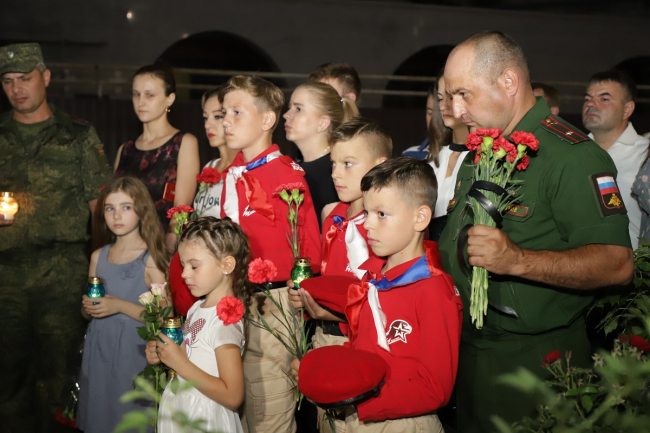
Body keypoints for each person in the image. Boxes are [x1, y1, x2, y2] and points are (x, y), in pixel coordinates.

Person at [438, 31, 634, 432]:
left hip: (535, 366)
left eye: (464, 94)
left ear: (508, 81)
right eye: (451, 97)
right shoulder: (481, 153)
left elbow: (617, 264)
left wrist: (517, 261)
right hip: (468, 356)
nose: (456, 111)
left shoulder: (571, 157)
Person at [293, 156, 463, 432]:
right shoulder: (374, 279)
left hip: (404, 422)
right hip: (359, 415)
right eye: (367, 213)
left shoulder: (432, 290)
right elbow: (365, 350)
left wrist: (361, 404)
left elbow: (434, 388)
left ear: (420, 218)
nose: (368, 224)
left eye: (381, 214)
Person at [0, 42, 112, 432]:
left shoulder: (78, 135)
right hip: (6, 275)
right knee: (7, 374)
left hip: (62, 273)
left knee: (60, 375)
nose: (16, 88)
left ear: (45, 77)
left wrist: (102, 274)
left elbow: (101, 210)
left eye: (25, 78)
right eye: (8, 81)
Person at [219, 75, 322, 433]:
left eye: (236, 112)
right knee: (240, 413)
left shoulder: (285, 176)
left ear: (267, 120)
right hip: (236, 301)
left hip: (273, 306)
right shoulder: (232, 174)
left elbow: (309, 251)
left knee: (268, 412)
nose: (226, 121)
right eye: (223, 113)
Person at [289, 117, 391, 433]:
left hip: (362, 345)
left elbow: (386, 300)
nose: (335, 173)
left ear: (379, 166)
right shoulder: (333, 216)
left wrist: (332, 312)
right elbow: (333, 279)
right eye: (333, 163)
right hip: (325, 337)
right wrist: (308, 294)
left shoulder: (387, 225)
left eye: (348, 163)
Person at [145, 217, 254, 433]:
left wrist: (179, 364)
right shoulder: (197, 308)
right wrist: (165, 353)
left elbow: (233, 396)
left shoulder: (225, 319)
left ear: (226, 265)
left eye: (194, 266)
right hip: (184, 409)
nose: (184, 274)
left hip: (205, 418)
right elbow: (192, 356)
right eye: (183, 265)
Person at [77, 177, 169, 433]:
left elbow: (163, 317)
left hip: (133, 352)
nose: (117, 216)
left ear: (142, 210)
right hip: (100, 350)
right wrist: (88, 307)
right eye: (110, 208)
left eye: (126, 207)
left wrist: (119, 305)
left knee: (129, 419)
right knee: (100, 417)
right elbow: (88, 313)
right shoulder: (98, 256)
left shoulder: (150, 259)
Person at [169, 87, 239, 316]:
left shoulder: (243, 170)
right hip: (192, 272)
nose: (208, 125)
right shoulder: (210, 166)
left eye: (217, 116)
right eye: (205, 117)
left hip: (220, 275)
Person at [114, 64, 200, 249]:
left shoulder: (183, 143)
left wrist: (165, 255)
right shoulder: (125, 150)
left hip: (159, 250)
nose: (141, 102)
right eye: (136, 94)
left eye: (149, 95)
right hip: (122, 248)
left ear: (170, 99)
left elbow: (181, 212)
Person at [583, 70, 649, 250]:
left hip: (635, 263)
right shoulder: (571, 151)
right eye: (588, 98)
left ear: (627, 109)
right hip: (576, 260)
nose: (591, 104)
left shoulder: (645, 155)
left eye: (604, 99)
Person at [284, 82, 359, 224]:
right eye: (290, 107)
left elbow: (333, 235)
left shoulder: (333, 175)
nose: (286, 115)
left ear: (323, 123)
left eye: (298, 109)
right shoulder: (298, 167)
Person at [428, 73, 469, 241]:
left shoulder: (486, 159)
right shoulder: (434, 157)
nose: (443, 106)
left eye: (451, 97)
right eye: (440, 99)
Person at [401, 85, 435, 160]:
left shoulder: (460, 156)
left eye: (440, 114)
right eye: (430, 113)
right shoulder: (410, 156)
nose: (434, 120)